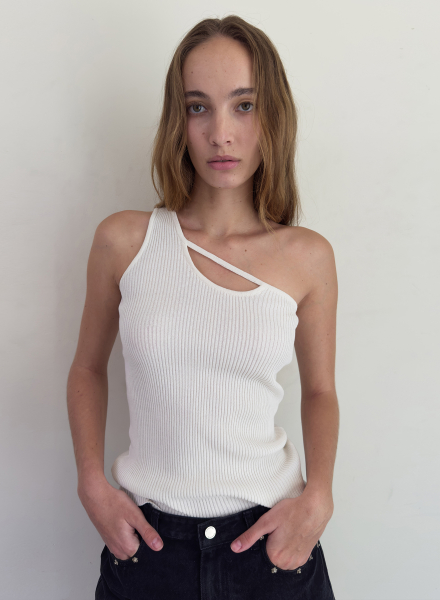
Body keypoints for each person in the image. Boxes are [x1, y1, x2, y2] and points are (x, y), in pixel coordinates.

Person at [67, 14, 339, 600]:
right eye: (198, 107)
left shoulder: (307, 257)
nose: (220, 133)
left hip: (272, 549)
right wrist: (91, 483)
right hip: (149, 552)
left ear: (273, 115)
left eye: (244, 105)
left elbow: (320, 391)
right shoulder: (125, 242)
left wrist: (319, 497)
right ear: (178, 120)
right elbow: (87, 367)